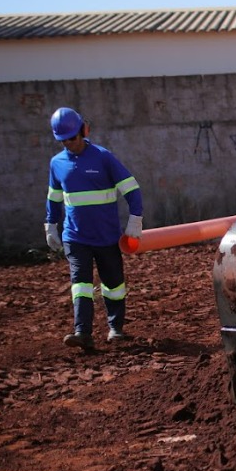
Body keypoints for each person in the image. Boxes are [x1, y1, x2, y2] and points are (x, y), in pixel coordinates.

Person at [45, 107, 143, 351]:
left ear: (84, 130)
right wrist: (50, 224)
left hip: (107, 237)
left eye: (73, 138)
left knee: (114, 285)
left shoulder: (103, 157)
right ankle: (83, 332)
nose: (69, 144)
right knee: (81, 284)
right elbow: (54, 198)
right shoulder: (57, 164)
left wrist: (135, 220)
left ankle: (116, 329)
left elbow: (132, 189)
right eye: (63, 140)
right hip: (75, 237)